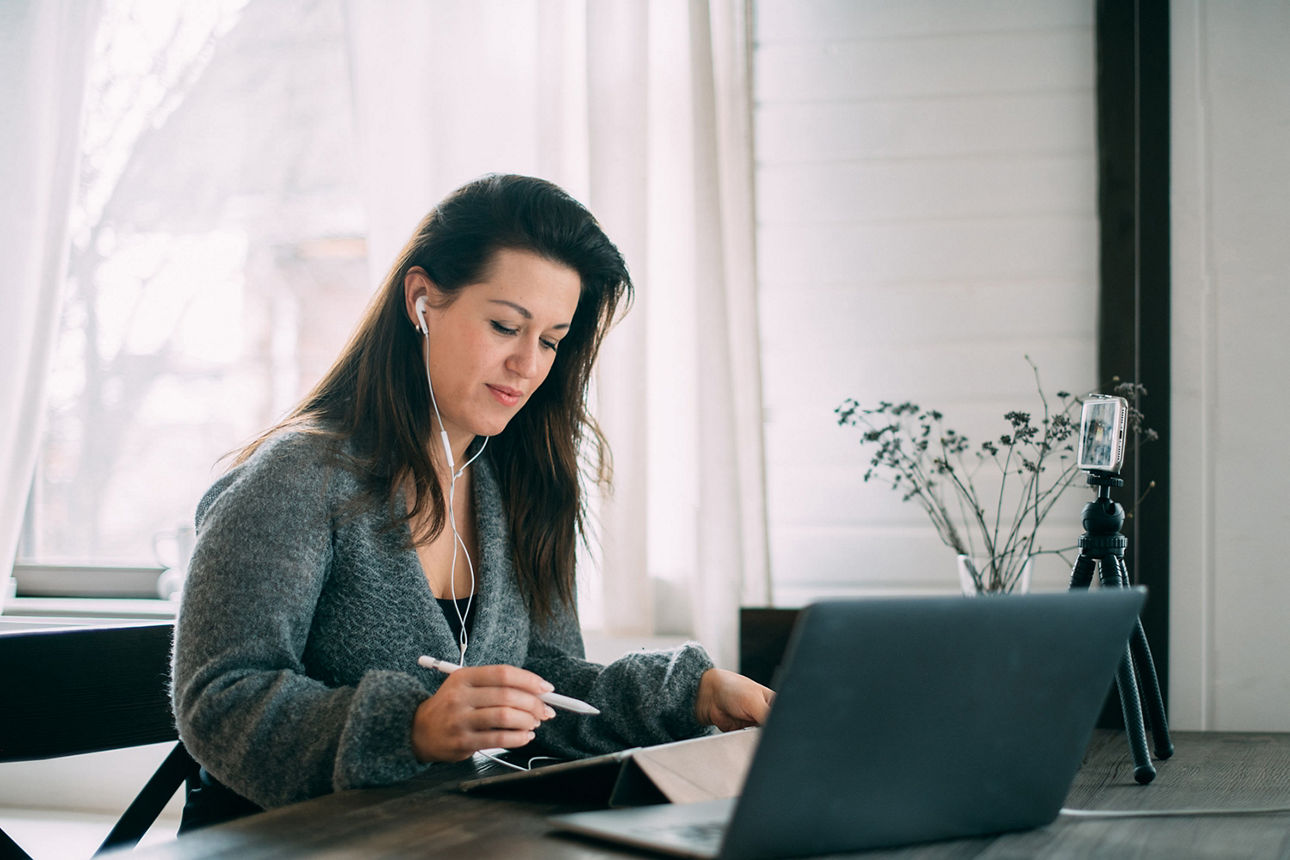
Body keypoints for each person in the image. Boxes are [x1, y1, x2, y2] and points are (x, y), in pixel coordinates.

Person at [170, 173, 773, 828]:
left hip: (442, 837)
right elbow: (219, 701)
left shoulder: (517, 485)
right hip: (285, 845)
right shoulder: (297, 478)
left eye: (550, 339)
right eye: (505, 325)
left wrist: (690, 696)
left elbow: (541, 692)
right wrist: (412, 727)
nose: (528, 364)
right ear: (422, 300)